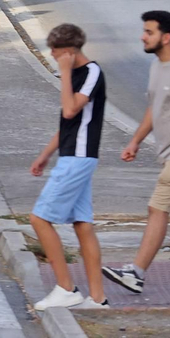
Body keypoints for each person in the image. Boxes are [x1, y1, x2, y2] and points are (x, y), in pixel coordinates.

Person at [104, 11, 170, 295]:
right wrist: (135, 141)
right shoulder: (158, 66)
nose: (142, 37)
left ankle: (136, 273)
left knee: (157, 208)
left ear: (166, 37)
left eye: (149, 32)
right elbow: (154, 107)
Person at [25, 23, 109, 310]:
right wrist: (46, 154)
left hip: (79, 157)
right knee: (83, 224)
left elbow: (71, 109)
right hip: (71, 154)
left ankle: (65, 287)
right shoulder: (75, 75)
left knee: (39, 219)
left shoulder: (92, 72)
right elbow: (68, 124)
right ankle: (97, 299)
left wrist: (64, 73)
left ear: (70, 51)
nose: (52, 55)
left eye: (56, 51)